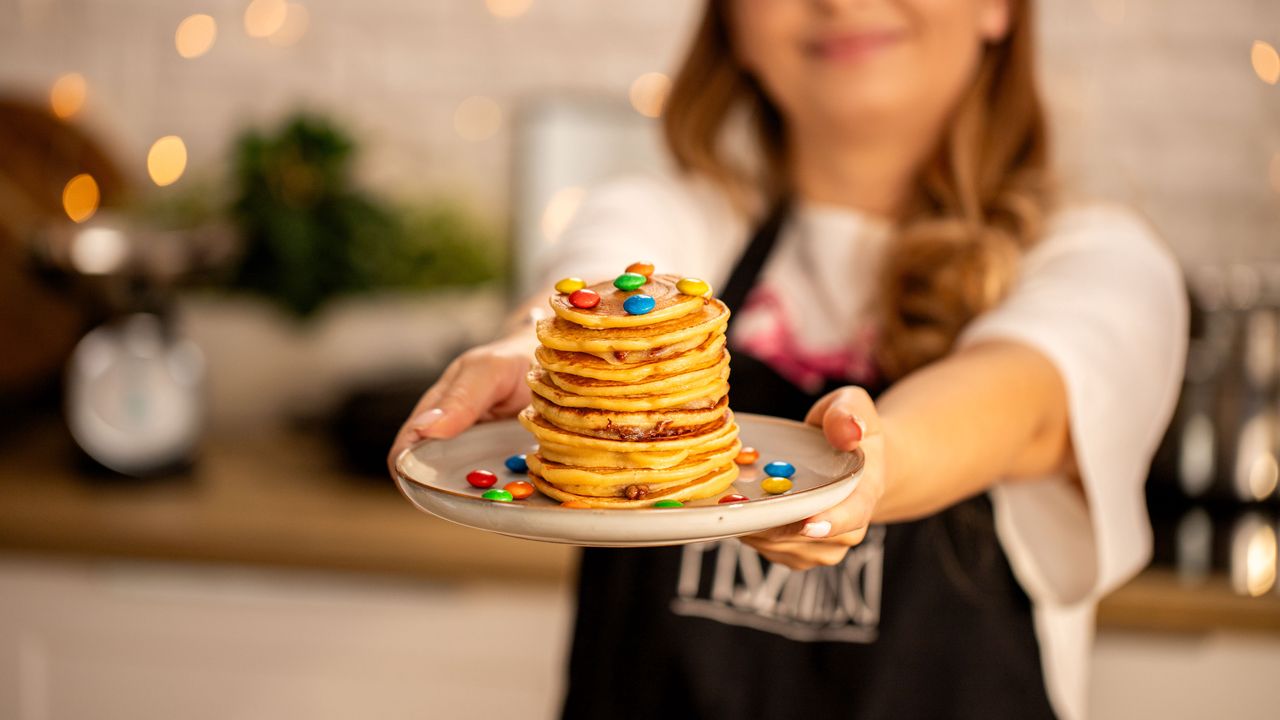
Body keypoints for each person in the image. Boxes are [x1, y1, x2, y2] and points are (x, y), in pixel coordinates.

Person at [388, 0, 1186, 717]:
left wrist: (872, 463)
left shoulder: (1102, 260)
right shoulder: (675, 215)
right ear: (731, 21)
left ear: (997, 8)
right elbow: (592, 277)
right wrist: (527, 355)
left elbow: (1023, 403)